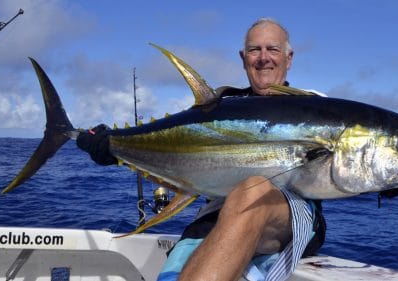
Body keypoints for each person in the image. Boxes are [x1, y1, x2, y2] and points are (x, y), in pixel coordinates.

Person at [77, 18, 326, 281]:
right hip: (211, 218)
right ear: (243, 58)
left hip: (290, 212)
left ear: (289, 58)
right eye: (255, 50)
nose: (263, 58)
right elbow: (180, 155)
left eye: (273, 49)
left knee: (251, 193)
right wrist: (111, 146)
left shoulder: (317, 108)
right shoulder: (218, 107)